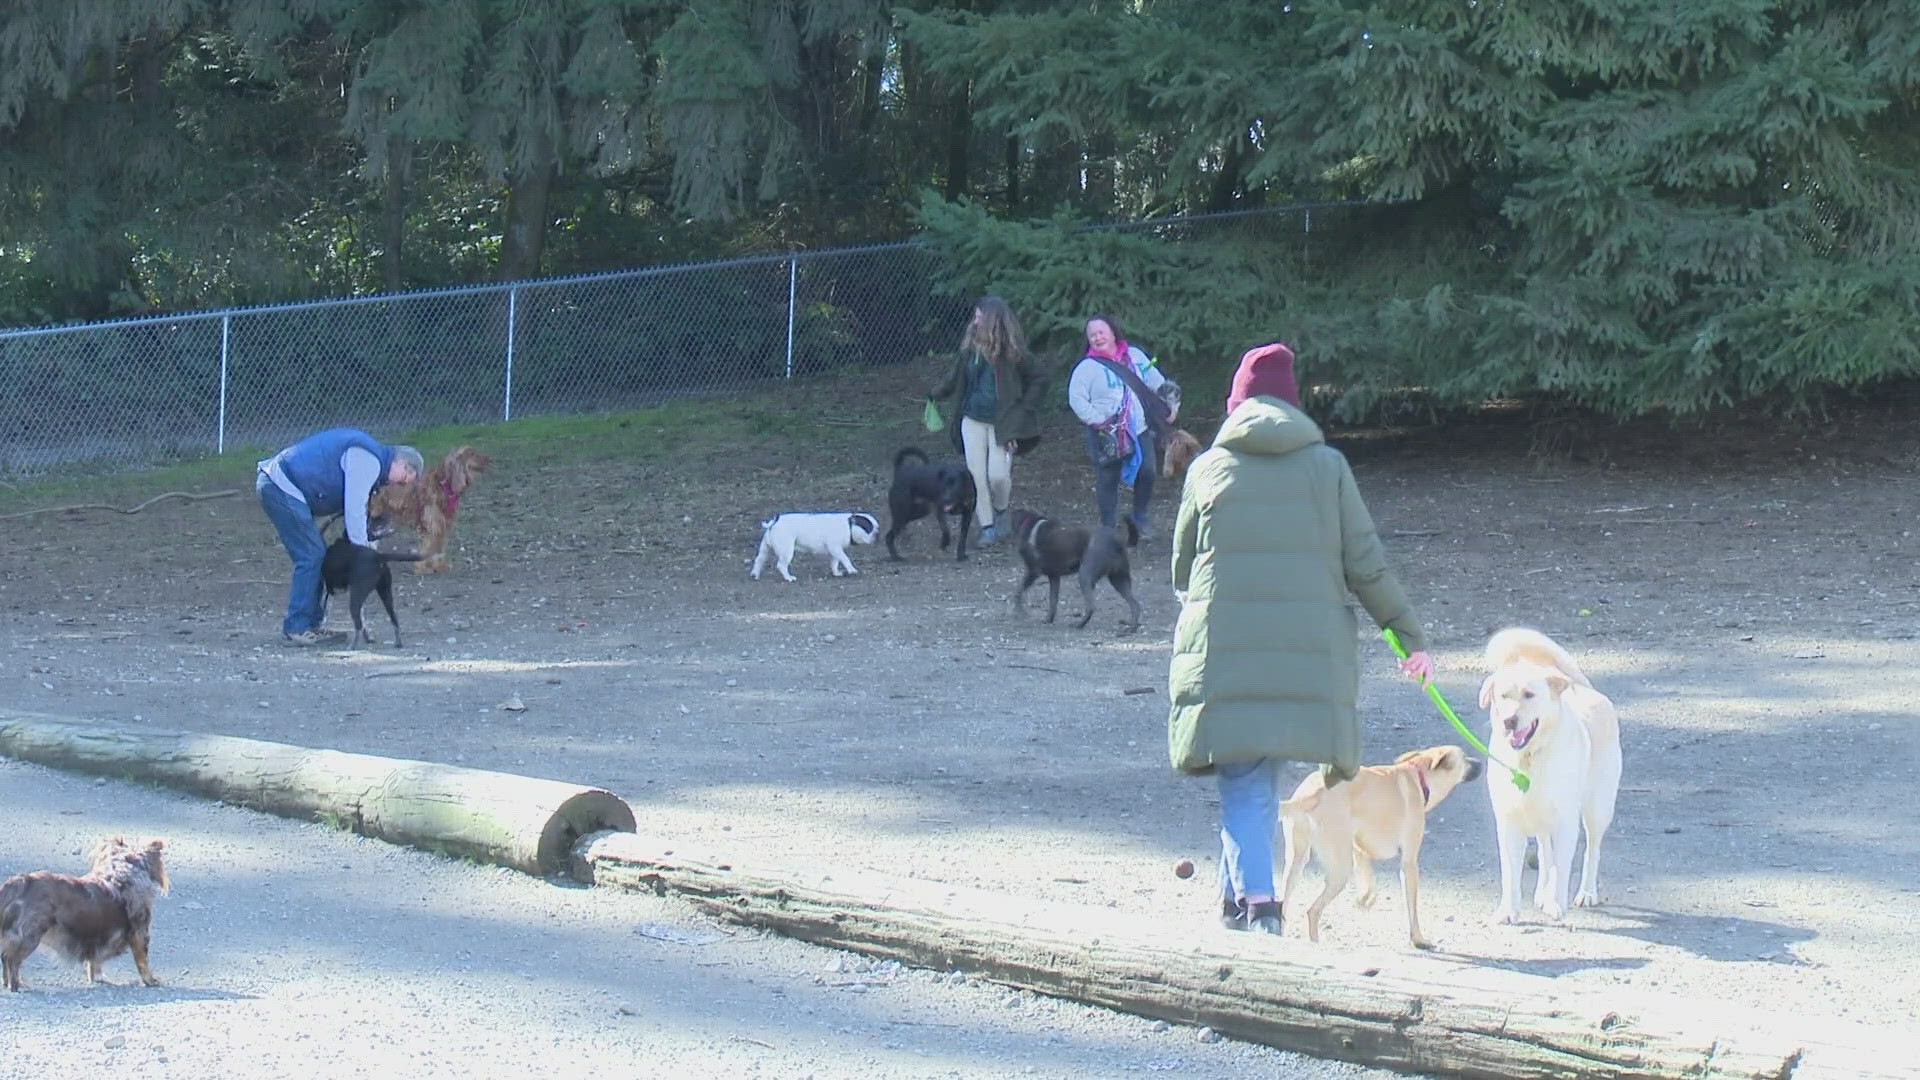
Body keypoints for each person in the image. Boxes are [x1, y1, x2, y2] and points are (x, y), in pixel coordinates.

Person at [1166, 343, 1434, 934]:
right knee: (1257, 774)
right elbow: (1365, 562)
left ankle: (1259, 906)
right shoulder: (1328, 468)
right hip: (1306, 658)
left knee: (1244, 774)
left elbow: (1182, 572)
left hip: (1226, 654)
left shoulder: (1209, 467)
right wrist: (1406, 633)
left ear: (1237, 404)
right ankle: (1235, 901)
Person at [256, 427, 423, 645]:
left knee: (316, 555)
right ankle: (297, 628)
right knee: (311, 556)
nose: (398, 484)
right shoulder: (368, 460)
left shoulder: (371, 461)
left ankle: (310, 625)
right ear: (403, 464)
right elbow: (354, 510)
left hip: (280, 485)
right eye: (405, 479)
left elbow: (359, 513)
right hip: (279, 485)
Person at [926, 296, 1047, 546]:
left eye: (980, 316)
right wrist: (935, 394)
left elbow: (1040, 379)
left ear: (993, 320)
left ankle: (1001, 512)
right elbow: (955, 378)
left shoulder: (1015, 353)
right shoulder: (970, 350)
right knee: (975, 475)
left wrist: (1023, 411)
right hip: (971, 420)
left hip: (1004, 424)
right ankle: (987, 526)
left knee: (998, 477)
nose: (975, 320)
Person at [1067, 315, 1178, 540]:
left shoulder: (1135, 357)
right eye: (1092, 335)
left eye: (1101, 332)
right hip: (1105, 432)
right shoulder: (1086, 368)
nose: (1097, 338)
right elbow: (1076, 399)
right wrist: (1098, 420)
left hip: (1139, 428)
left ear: (1112, 332)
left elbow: (1157, 382)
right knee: (1108, 477)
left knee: (1147, 472)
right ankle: (1108, 526)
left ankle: (1140, 517)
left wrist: (1170, 406)